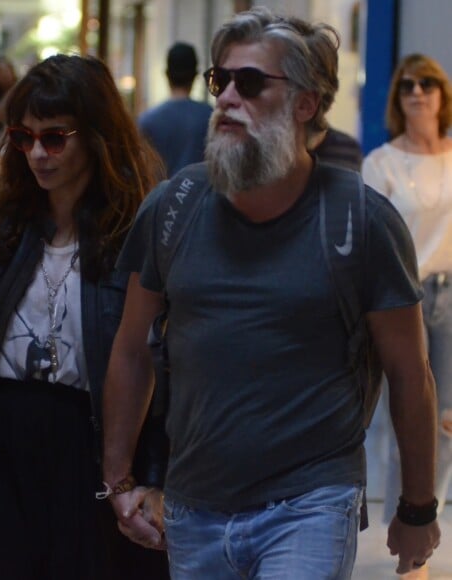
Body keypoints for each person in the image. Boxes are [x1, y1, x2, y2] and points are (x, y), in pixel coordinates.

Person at [101, 7, 441, 580]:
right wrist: (118, 481)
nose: (227, 97)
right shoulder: (173, 208)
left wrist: (417, 507)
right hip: (197, 505)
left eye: (250, 82)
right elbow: (133, 348)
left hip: (311, 502)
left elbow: (411, 374)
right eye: (220, 80)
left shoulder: (361, 220)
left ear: (305, 103)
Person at [0, 54, 169, 580]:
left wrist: (157, 477)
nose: (37, 154)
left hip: (90, 442)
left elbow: (158, 360)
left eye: (55, 138)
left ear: (96, 137)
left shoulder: (135, 234)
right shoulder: (0, 224)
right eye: (23, 138)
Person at [362, 53, 452, 580]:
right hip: (406, 295)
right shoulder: (381, 162)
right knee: (409, 418)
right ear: (397, 98)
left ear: (442, 95)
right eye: (407, 86)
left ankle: (425, 522)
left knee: (445, 424)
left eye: (428, 84)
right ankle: (410, 551)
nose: (417, 93)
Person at [138, 42, 212, 177]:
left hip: (161, 197)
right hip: (200, 196)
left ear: (167, 74)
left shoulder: (147, 121)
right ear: (195, 75)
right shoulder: (210, 117)